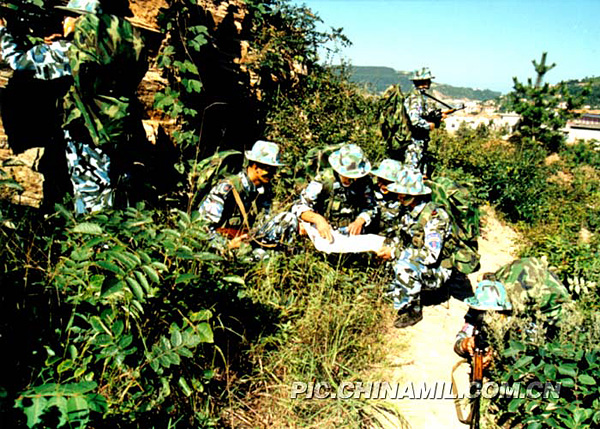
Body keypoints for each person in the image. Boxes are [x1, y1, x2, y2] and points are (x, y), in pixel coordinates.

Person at [59, 0, 149, 214]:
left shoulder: (72, 53)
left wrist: (2, 31)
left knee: (90, 199)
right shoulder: (117, 48)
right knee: (117, 193)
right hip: (118, 127)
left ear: (84, 19)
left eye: (71, 15)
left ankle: (96, 243)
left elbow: (22, 62)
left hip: (88, 132)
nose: (64, 20)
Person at [0, 11, 73, 210]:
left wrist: (1, 32)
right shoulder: (109, 45)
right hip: (102, 124)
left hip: (71, 128)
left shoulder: (63, 49)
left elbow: (18, 62)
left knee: (74, 181)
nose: (64, 21)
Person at [454, 257, 571, 365]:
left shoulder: (534, 306)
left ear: (504, 312)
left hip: (542, 293)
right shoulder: (485, 297)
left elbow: (530, 352)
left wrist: (497, 354)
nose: (487, 318)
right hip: (510, 277)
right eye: (484, 314)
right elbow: (463, 335)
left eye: (493, 314)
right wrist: (465, 344)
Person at [375, 167, 452, 328]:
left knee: (404, 266)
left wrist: (395, 253)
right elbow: (400, 237)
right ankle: (398, 290)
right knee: (386, 247)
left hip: (437, 269)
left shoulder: (435, 217)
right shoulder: (407, 210)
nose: (400, 197)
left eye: (404, 194)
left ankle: (412, 310)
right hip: (415, 258)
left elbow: (431, 256)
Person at [198, 140, 285, 250]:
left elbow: (263, 223)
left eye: (274, 169)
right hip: (219, 246)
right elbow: (203, 226)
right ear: (255, 166)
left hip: (246, 242)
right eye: (268, 169)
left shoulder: (263, 192)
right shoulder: (228, 188)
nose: (273, 173)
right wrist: (226, 246)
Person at [292, 143, 378, 242]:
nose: (350, 179)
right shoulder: (324, 179)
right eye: (346, 176)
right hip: (324, 232)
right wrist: (318, 219)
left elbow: (371, 207)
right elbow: (299, 206)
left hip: (352, 235)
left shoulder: (364, 182)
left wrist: (360, 221)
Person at [404, 67, 445, 175]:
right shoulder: (414, 98)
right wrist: (429, 125)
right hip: (413, 143)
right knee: (411, 174)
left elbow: (423, 114)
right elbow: (415, 120)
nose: (430, 82)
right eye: (428, 80)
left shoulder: (420, 96)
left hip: (419, 142)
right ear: (423, 81)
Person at [371, 158, 404, 238]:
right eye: (379, 180)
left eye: (385, 182)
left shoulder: (404, 199)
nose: (380, 185)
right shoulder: (371, 192)